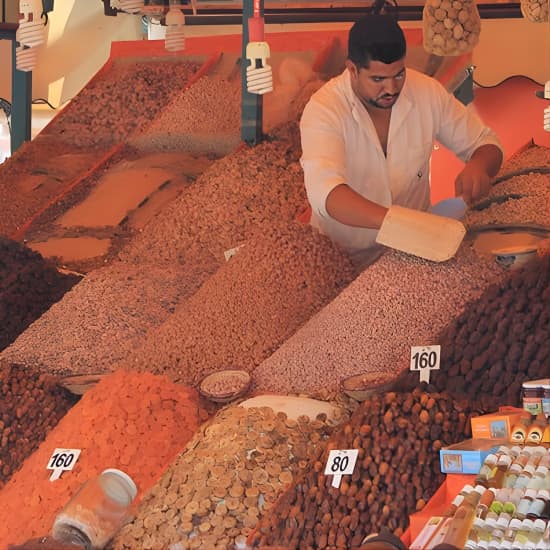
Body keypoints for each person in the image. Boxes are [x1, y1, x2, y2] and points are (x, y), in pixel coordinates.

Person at [300, 14, 503, 263]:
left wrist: (478, 166)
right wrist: (398, 223)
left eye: (399, 74)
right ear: (352, 69)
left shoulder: (426, 92)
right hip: (341, 259)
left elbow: (487, 143)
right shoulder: (324, 109)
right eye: (378, 79)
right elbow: (326, 193)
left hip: (412, 257)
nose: (392, 89)